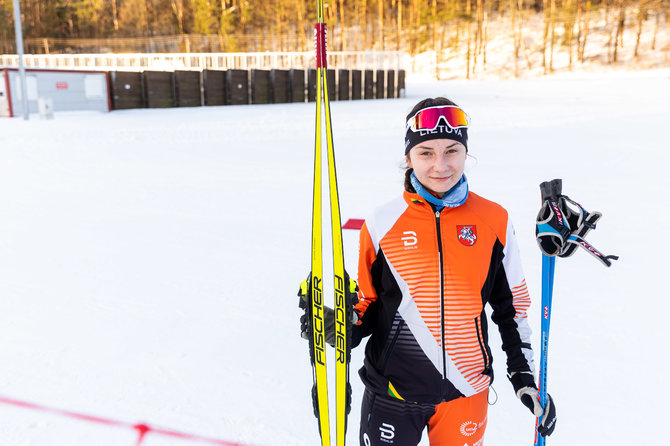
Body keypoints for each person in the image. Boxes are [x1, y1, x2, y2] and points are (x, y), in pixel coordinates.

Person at [301, 97, 557, 446]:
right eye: (426, 153)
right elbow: (370, 305)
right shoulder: (381, 224)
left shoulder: (493, 219)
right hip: (393, 393)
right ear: (408, 158)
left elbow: (512, 308)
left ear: (466, 153)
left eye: (452, 150)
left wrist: (523, 375)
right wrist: (344, 327)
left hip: (466, 392)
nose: (441, 165)